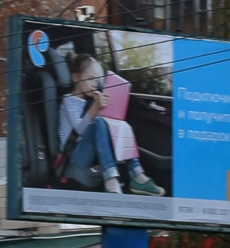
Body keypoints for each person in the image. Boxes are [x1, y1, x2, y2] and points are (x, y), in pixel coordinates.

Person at [58, 53, 164, 196]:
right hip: (73, 156)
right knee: (98, 121)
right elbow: (79, 130)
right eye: (90, 79)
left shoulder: (90, 100)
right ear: (76, 77)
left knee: (122, 125)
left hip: (87, 151)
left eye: (97, 80)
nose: (94, 84)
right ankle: (111, 180)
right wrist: (95, 108)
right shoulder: (68, 100)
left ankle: (137, 174)